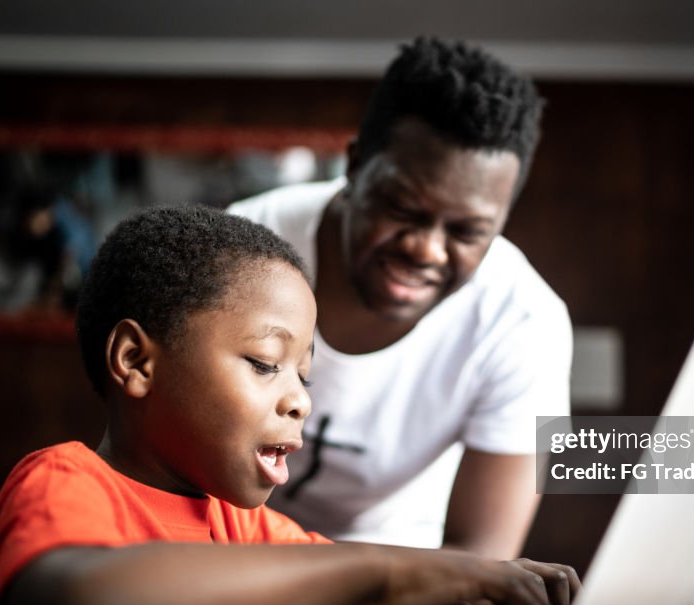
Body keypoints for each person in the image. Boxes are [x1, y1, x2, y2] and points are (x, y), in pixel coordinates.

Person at [0, 205, 579, 605]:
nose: (299, 401)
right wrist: (381, 573)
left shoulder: (240, 525)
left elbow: (371, 586)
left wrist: (478, 582)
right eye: (265, 363)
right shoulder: (64, 479)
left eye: (304, 375)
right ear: (136, 361)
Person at [228, 37, 572, 558]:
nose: (426, 249)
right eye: (403, 209)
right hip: (224, 548)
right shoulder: (238, 249)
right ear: (355, 164)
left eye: (467, 231)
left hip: (399, 569)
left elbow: (479, 554)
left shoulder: (523, 321)